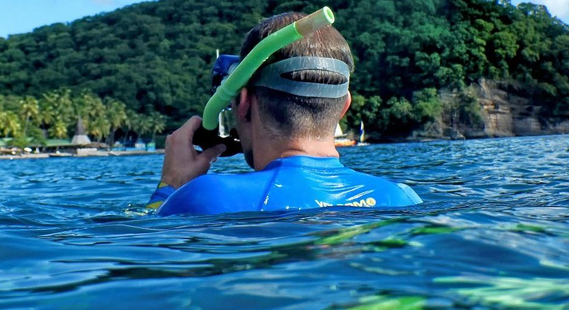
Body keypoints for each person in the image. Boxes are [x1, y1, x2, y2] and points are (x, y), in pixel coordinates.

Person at [147, 12, 422, 216]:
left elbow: (148, 246)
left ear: (243, 103)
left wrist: (171, 187)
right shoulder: (402, 198)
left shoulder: (206, 197)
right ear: (343, 107)